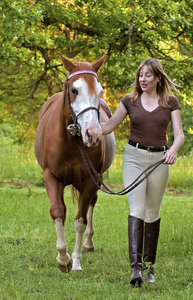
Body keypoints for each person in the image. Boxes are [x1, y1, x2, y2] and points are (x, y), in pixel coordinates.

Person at [70, 58, 184, 287]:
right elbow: (108, 126)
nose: (143, 79)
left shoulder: (170, 102)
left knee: (152, 213)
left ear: (158, 78)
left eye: (148, 75)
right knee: (137, 210)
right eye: (140, 75)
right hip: (134, 158)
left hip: (160, 160)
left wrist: (173, 149)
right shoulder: (129, 101)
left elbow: (179, 134)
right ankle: (136, 271)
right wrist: (83, 128)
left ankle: (149, 268)